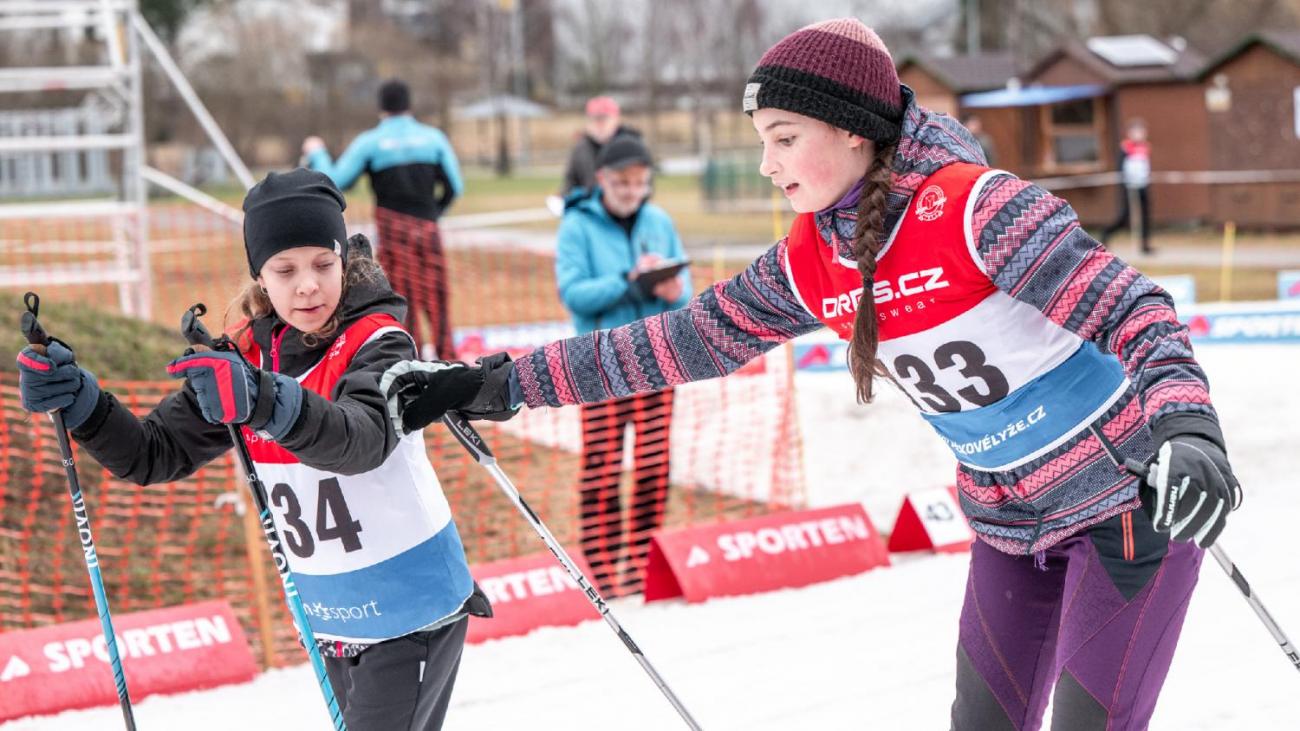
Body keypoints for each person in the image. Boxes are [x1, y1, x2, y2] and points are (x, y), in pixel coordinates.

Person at [380, 19, 1243, 730]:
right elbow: (679, 340)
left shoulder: (979, 208)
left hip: (1128, 505)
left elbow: (1137, 311)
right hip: (1008, 520)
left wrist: (1189, 428)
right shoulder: (809, 261)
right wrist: (497, 383)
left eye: (784, 139)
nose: (768, 163)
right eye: (763, 141)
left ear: (853, 129)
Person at [16, 168, 492, 731]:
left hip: (410, 608)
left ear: (344, 261)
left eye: (323, 264)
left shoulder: (380, 342)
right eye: (285, 270)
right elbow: (153, 452)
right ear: (260, 276)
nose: (307, 285)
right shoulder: (246, 357)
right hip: (333, 614)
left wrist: (265, 402)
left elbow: (360, 440)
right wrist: (84, 406)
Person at [555, 133, 691, 594]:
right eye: (622, 183)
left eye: (639, 182)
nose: (632, 191)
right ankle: (602, 568)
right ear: (602, 179)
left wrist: (674, 289)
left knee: (653, 464)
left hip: (656, 361)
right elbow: (574, 294)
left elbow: (685, 289)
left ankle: (641, 562)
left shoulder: (659, 220)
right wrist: (629, 282)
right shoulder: (577, 226)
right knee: (602, 466)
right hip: (598, 365)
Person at [304, 79, 463, 360]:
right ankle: (449, 360)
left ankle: (411, 361)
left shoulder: (370, 142)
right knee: (437, 297)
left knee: (402, 296)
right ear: (409, 105)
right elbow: (455, 187)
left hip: (393, 232)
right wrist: (432, 215)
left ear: (381, 108)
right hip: (428, 230)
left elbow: (335, 180)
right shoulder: (434, 138)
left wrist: (316, 152)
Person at [561, 95, 639, 196]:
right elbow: (570, 183)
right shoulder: (581, 149)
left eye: (604, 119)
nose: (599, 125)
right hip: (590, 202)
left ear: (616, 120)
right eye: (595, 119)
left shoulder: (630, 146)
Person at [1100, 118, 1153, 254]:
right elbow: (1121, 168)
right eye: (1136, 131)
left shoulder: (1145, 147)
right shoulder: (1125, 147)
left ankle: (1145, 244)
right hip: (1129, 186)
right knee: (1125, 217)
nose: (1139, 134)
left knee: (1145, 215)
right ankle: (1106, 233)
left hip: (1143, 184)